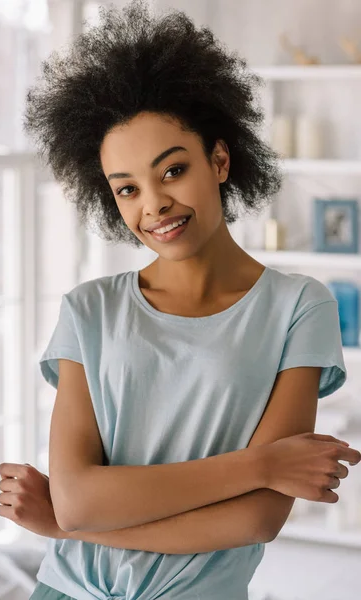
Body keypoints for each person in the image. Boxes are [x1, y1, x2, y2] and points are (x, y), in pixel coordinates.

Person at [20, 1, 360, 599]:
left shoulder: (299, 306)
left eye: (172, 171)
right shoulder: (87, 310)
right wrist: (258, 465)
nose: (153, 205)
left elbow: (255, 520)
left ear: (220, 160)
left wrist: (77, 522)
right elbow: (75, 502)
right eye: (127, 189)